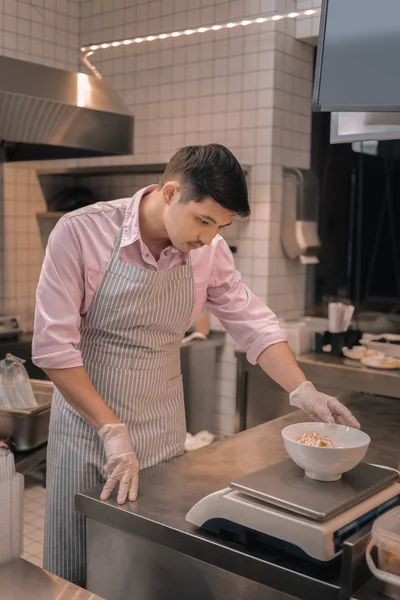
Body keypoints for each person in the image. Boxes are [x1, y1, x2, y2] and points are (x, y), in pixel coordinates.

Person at [32, 143, 359, 586]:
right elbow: (54, 350)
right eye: (203, 220)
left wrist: (303, 390)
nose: (207, 237)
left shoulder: (209, 249)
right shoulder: (80, 232)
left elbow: (254, 324)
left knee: (146, 566)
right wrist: (111, 428)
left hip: (162, 429)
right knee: (76, 565)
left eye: (219, 226)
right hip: (89, 432)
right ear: (170, 192)